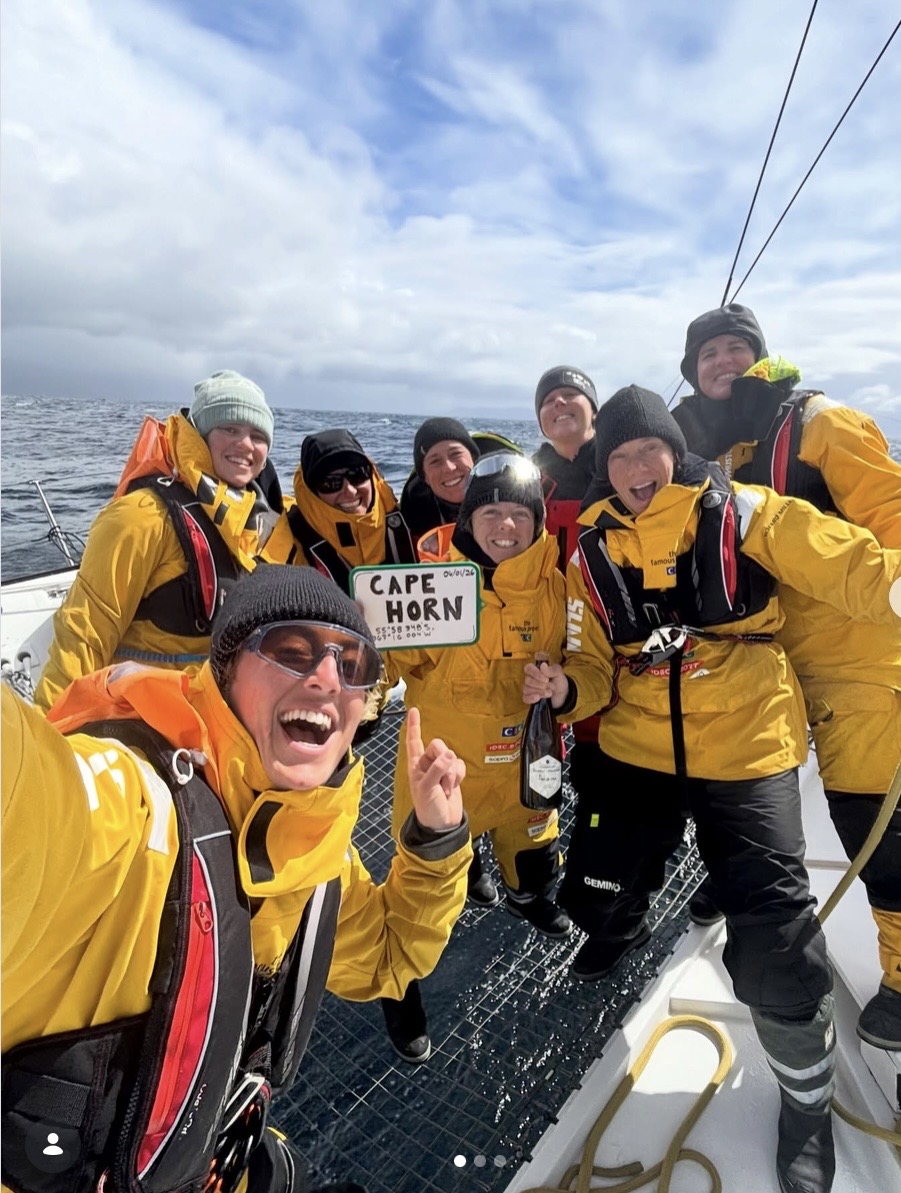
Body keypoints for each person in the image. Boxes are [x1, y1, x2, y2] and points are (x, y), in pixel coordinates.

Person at [523, 386, 901, 1193]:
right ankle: (618, 916)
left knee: (772, 939)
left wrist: (896, 588)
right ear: (603, 467)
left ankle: (804, 1104)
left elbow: (840, 557)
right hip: (637, 741)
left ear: (672, 450)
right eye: (616, 456)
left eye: (645, 451)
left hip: (747, 736)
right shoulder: (588, 547)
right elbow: (590, 657)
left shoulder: (747, 509)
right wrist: (566, 689)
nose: (632, 469)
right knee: (592, 889)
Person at [2, 566, 471, 1193]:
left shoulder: (318, 854)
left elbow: (389, 958)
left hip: (218, 1155)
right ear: (224, 672)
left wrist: (435, 843)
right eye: (290, 650)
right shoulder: (123, 809)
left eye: (353, 664)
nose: (327, 676)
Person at [675, 303, 901, 1049]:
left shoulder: (823, 424)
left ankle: (899, 974)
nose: (722, 362)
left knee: (875, 828)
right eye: (707, 354)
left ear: (761, 357)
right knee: (745, 787)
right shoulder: (717, 452)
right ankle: (738, 879)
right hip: (768, 662)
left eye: (736, 348)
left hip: (857, 665)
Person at [380, 452, 570, 1063]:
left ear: (538, 520)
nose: (505, 526)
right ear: (468, 518)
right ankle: (397, 989)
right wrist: (360, 692)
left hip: (526, 765)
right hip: (444, 771)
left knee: (536, 861)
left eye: (519, 513)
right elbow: (384, 662)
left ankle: (524, 895)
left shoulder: (563, 586)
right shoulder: (429, 583)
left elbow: (590, 659)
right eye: (491, 511)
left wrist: (569, 688)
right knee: (417, 892)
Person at [35, 369, 292, 711]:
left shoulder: (268, 522)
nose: (245, 444)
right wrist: (52, 737)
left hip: (226, 726)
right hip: (144, 725)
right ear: (200, 434)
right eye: (230, 428)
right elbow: (83, 633)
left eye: (258, 435)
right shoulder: (142, 516)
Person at [288, 429, 416, 592]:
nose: (350, 491)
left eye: (358, 475)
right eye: (331, 483)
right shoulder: (292, 536)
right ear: (312, 492)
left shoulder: (410, 521)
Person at [532, 365, 599, 569]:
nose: (559, 402)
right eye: (548, 401)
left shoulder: (620, 468)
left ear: (594, 411)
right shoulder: (527, 479)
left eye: (570, 394)